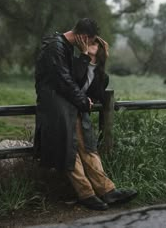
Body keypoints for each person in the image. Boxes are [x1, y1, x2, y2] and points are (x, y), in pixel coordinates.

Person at [34, 18, 137, 211]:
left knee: (87, 148)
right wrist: (82, 99)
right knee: (69, 151)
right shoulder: (56, 47)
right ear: (83, 37)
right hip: (58, 106)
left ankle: (107, 191)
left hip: (70, 105)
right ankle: (86, 194)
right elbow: (63, 79)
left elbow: (72, 82)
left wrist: (82, 98)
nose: (91, 45)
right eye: (90, 41)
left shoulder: (64, 48)